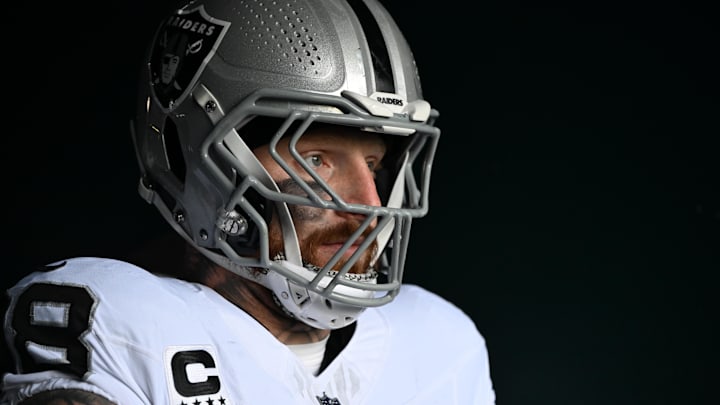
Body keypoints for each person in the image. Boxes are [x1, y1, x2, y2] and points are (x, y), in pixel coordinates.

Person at [1, 0, 496, 403]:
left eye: (373, 164)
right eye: (317, 158)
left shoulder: (440, 343)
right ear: (186, 153)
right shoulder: (118, 318)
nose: (366, 203)